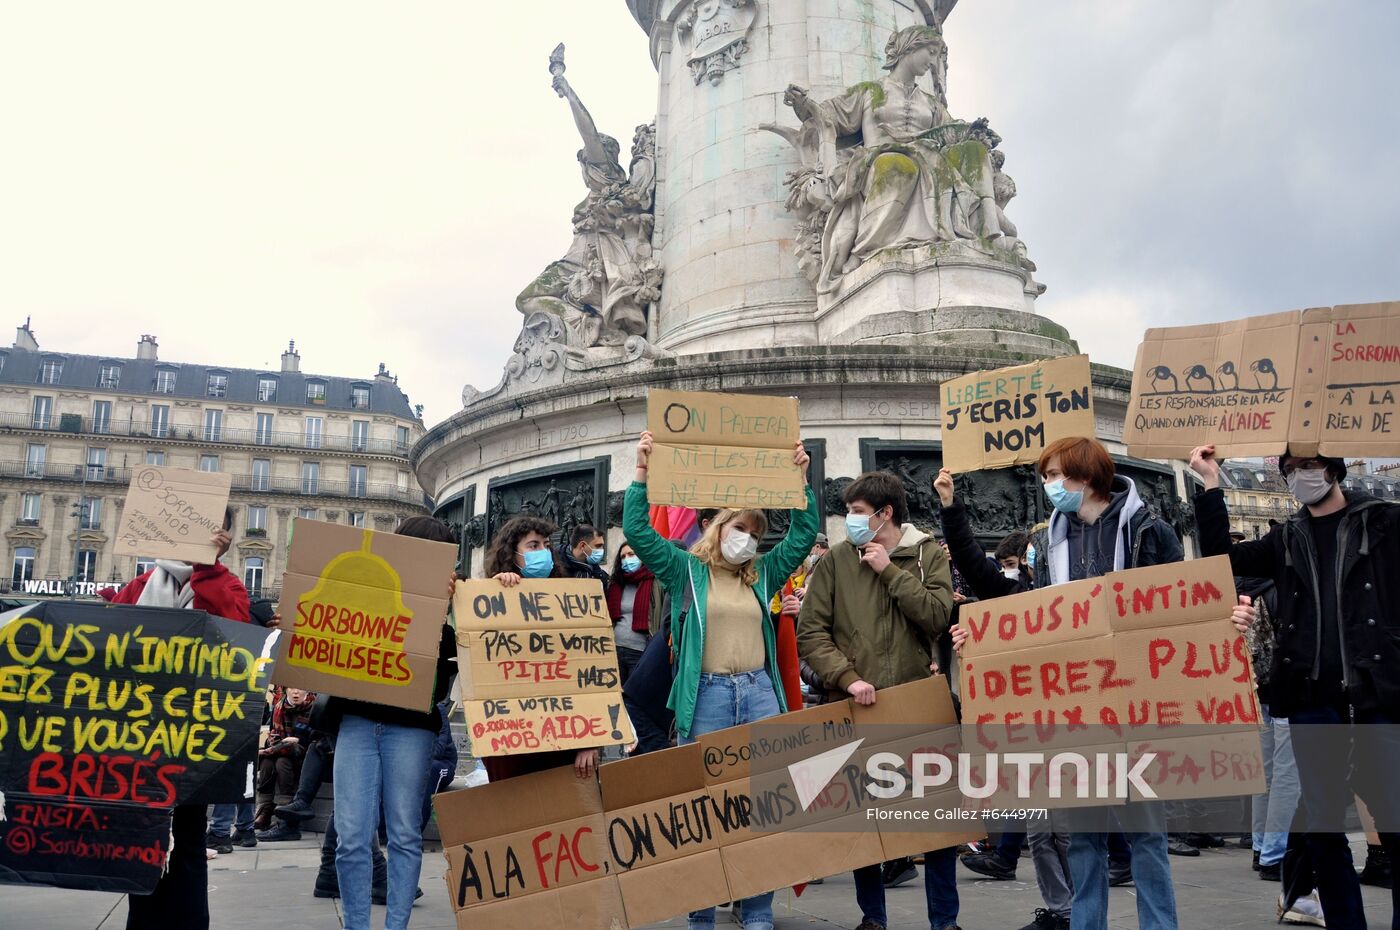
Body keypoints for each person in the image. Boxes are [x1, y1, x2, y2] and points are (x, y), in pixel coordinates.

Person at [936, 438, 1191, 930]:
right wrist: (952, 510)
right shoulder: (1051, 544)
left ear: (1087, 476)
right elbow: (1010, 598)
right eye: (1046, 476)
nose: (1049, 485)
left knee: (1146, 837)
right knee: (1086, 839)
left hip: (1133, 701)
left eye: (1057, 475)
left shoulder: (1148, 533)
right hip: (1075, 704)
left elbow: (1179, 607)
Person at [1189, 443, 1400, 929]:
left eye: (1309, 466)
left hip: (1377, 693)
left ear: (1334, 470)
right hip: (1312, 697)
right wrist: (1210, 482)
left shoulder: (1383, 523)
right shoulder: (1288, 538)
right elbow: (1220, 556)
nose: (1299, 476)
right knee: (1324, 827)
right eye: (1290, 470)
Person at [626, 429, 818, 930]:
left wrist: (801, 481)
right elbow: (639, 533)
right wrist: (642, 473)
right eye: (740, 528)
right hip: (706, 699)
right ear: (716, 528)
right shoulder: (684, 571)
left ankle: (757, 916)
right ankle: (701, 919)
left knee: (764, 815)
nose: (748, 539)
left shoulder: (764, 573)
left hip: (758, 697)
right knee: (704, 817)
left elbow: (802, 536)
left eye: (755, 532)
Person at [798, 470, 958, 930]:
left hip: (916, 702)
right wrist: (846, 678)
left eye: (857, 513)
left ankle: (944, 920)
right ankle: (873, 917)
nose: (849, 521)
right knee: (865, 819)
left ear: (885, 514)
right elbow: (812, 632)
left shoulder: (926, 554)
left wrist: (887, 569)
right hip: (856, 707)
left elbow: (935, 616)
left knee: (937, 820)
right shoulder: (834, 562)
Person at [114, 508, 248, 930]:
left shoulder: (225, 583)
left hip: (192, 736)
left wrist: (205, 570)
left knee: (188, 838)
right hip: (137, 734)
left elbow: (234, 636)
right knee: (142, 838)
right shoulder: (139, 585)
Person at [331, 516, 460, 930]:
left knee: (403, 834)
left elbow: (439, 685)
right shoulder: (365, 596)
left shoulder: (442, 617)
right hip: (357, 720)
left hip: (411, 729)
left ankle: (396, 927)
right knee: (352, 838)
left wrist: (441, 610)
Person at [481, 514, 602, 784]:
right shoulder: (489, 599)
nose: (543, 552)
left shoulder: (572, 603)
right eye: (533, 546)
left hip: (563, 735)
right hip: (510, 737)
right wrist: (496, 594)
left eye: (546, 545)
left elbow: (590, 669)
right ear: (511, 554)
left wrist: (591, 740)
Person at [255, 686, 317, 841]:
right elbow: (272, 735)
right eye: (292, 688)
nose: (296, 692)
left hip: (304, 756)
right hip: (281, 752)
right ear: (286, 690)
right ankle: (265, 811)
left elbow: (318, 739)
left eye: (300, 689)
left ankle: (286, 817)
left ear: (308, 691)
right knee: (267, 762)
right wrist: (271, 740)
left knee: (282, 763)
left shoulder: (315, 707)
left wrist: (298, 740)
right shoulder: (278, 707)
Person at [607, 542, 656, 688]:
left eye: (631, 554)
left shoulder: (654, 582)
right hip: (615, 648)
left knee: (634, 700)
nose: (627, 559)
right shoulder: (617, 583)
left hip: (640, 652)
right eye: (623, 556)